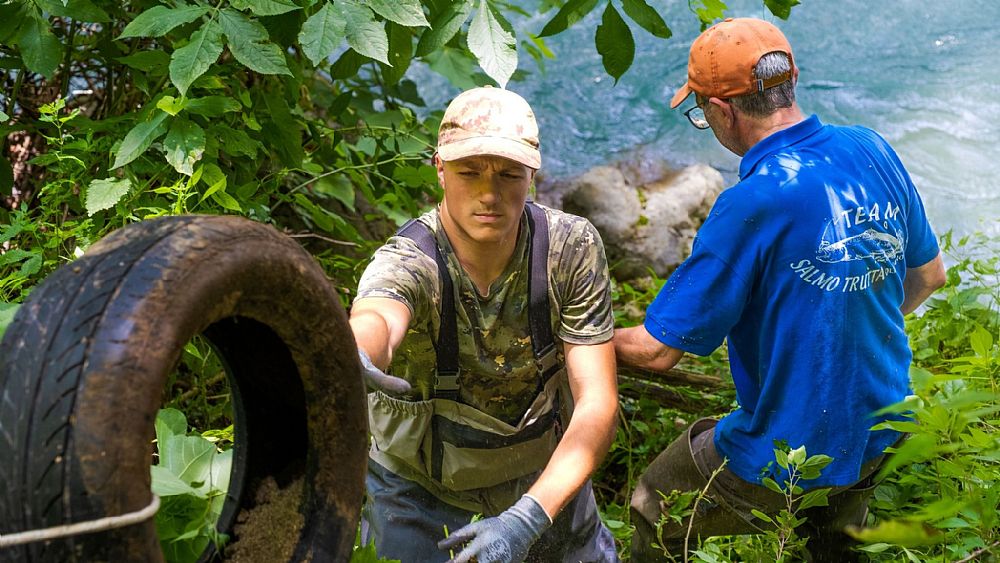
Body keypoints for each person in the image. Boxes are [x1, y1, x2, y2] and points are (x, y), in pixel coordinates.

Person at [614, 17, 947, 562]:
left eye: (700, 111)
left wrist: (576, 338)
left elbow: (656, 351)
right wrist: (850, 316)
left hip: (795, 449)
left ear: (721, 111)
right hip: (882, 424)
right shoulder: (871, 148)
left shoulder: (751, 203)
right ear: (788, 82)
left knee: (654, 503)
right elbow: (930, 275)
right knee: (833, 544)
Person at [349, 86, 620, 563]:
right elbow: (379, 314)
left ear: (533, 174)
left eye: (510, 174)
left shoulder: (569, 249)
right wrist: (352, 353)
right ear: (439, 167)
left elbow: (597, 401)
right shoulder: (411, 260)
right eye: (468, 172)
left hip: (541, 476)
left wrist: (528, 517)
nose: (489, 194)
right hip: (417, 485)